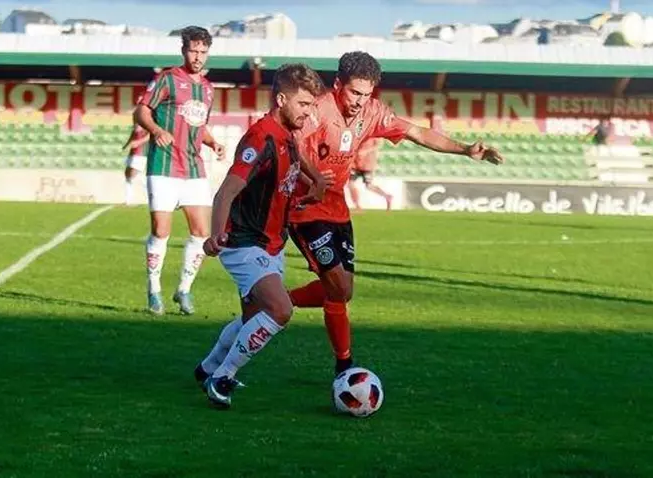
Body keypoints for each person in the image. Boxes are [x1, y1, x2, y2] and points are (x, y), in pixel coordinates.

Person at [287, 51, 504, 376]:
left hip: (337, 208)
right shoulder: (317, 110)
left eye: (366, 94)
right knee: (338, 287)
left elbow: (417, 132)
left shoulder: (373, 112)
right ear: (338, 84)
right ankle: (344, 365)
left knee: (344, 291)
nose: (360, 101)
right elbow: (292, 144)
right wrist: (313, 178)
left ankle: (278, 301)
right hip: (305, 208)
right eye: (354, 92)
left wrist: (465, 149)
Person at [194, 63, 328, 408]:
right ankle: (222, 378)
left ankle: (207, 368)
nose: (309, 112)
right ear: (281, 99)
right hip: (244, 242)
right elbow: (225, 193)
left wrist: (316, 179)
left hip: (272, 243)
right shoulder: (261, 138)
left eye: (312, 105)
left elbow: (296, 155)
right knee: (280, 309)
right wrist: (215, 236)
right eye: (303, 104)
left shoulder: (286, 134)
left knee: (253, 318)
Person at [134, 26, 225, 316]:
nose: (197, 57)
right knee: (161, 231)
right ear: (184, 51)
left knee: (202, 232)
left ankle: (184, 289)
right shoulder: (168, 79)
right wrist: (157, 130)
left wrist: (212, 142)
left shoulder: (208, 89)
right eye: (193, 51)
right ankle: (154, 290)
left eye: (202, 52)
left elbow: (199, 125)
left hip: (194, 168)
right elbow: (141, 111)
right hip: (163, 165)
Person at [346, 137, 393, 211]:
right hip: (355, 164)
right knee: (350, 184)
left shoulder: (374, 135)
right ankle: (357, 206)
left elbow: (379, 145)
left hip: (368, 165)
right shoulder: (357, 134)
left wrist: (366, 151)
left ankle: (387, 196)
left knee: (369, 186)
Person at [122, 98, 150, 205]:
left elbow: (150, 134)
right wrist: (127, 144)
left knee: (135, 174)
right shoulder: (135, 115)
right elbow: (134, 132)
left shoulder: (148, 115)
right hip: (133, 151)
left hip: (141, 151)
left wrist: (139, 142)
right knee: (128, 174)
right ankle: (128, 199)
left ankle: (149, 197)